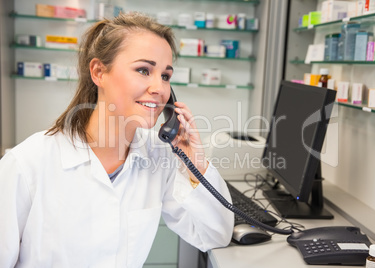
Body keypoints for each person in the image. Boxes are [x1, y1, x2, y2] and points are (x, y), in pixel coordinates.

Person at [0, 12, 234, 267]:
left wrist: (195, 164)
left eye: (166, 76)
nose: (159, 88)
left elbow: (214, 235)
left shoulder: (158, 156)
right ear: (99, 72)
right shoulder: (26, 164)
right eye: (144, 70)